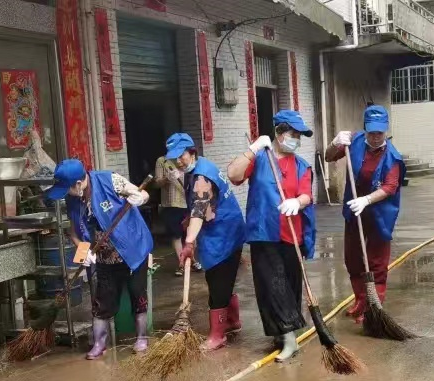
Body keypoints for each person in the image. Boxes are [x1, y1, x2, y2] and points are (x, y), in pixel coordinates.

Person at [226, 110, 316, 362]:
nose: (296, 139)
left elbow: (307, 194)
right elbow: (233, 174)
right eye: (293, 133)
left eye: (299, 135)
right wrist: (253, 149)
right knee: (271, 286)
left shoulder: (301, 165)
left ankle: (283, 333)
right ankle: (289, 340)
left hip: (292, 234)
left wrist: (297, 202)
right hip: (264, 232)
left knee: (289, 285)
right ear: (278, 133)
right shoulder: (260, 159)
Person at [44, 159, 153, 357]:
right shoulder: (73, 199)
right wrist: (82, 252)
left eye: (66, 188)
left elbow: (142, 192)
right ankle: (99, 344)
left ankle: (141, 338)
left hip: (133, 249)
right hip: (104, 257)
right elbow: (75, 233)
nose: (65, 194)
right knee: (102, 301)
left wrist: (141, 197)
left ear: (78, 184)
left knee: (138, 294)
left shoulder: (109, 181)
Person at [325, 105, 405, 324]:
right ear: (365, 129)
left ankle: (373, 307)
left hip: (380, 211)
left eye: (380, 132)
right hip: (355, 209)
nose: (376, 137)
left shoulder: (393, 157)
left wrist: (367, 199)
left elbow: (390, 187)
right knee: (353, 257)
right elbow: (328, 157)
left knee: (377, 261)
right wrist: (334, 143)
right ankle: (361, 300)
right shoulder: (355, 141)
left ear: (386, 130)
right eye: (372, 132)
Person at [165, 133, 246, 351]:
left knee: (218, 281)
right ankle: (232, 321)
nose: (178, 161)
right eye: (174, 158)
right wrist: (188, 221)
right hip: (228, 228)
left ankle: (217, 336)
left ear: (191, 151)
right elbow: (202, 207)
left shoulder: (201, 176)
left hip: (223, 234)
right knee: (225, 280)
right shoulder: (200, 166)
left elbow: (200, 211)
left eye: (180, 156)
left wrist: (188, 243)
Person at [153, 155, 202, 276]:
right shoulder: (162, 161)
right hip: (172, 204)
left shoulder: (189, 159)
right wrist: (167, 178)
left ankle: (192, 260)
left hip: (189, 201)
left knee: (191, 233)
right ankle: (182, 263)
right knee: (176, 234)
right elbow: (157, 183)